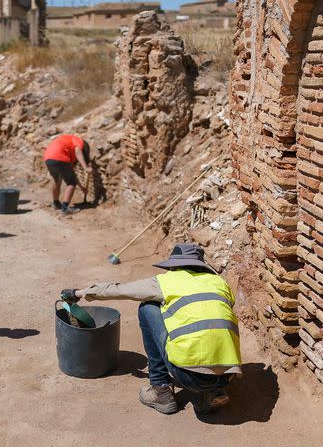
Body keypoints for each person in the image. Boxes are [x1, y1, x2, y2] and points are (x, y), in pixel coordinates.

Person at [61, 243, 241, 415]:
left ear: (174, 266)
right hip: (228, 375)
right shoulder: (220, 283)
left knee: (147, 307)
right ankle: (215, 391)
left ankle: (160, 390)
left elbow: (118, 290)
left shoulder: (166, 281)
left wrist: (78, 293)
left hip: (188, 375)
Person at [43, 134, 90, 214]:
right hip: (59, 156)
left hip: (48, 158)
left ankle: (56, 203)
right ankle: (65, 209)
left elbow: (72, 175)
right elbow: (78, 151)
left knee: (57, 180)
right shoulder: (79, 141)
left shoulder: (68, 145)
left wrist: (82, 188)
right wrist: (86, 167)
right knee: (71, 184)